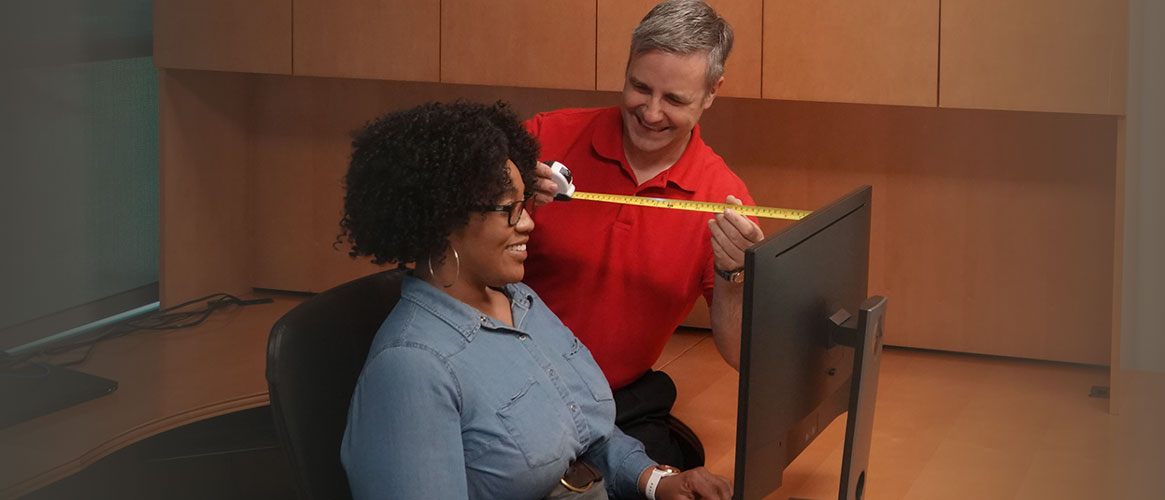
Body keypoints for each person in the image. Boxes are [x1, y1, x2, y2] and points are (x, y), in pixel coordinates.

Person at [337, 101, 732, 500]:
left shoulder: (520, 300)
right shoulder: (412, 366)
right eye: (509, 210)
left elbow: (586, 433)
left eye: (524, 204)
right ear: (444, 219)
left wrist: (656, 481)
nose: (528, 222)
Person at [521, 0, 765, 469]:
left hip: (614, 401)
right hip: (509, 385)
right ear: (627, 66)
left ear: (712, 93)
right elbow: (449, 249)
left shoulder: (724, 200)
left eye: (674, 100)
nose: (651, 113)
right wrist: (505, 201)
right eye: (639, 87)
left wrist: (734, 275)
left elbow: (741, 354)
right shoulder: (544, 137)